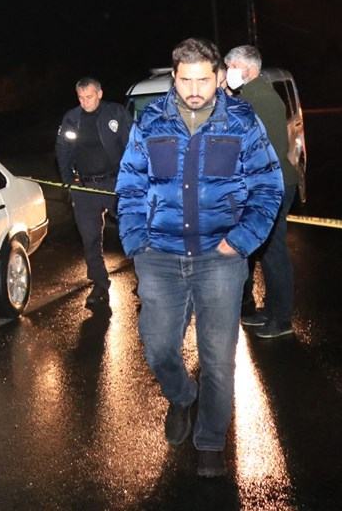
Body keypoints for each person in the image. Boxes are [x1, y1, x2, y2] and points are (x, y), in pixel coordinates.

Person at [116, 38, 282, 478]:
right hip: (160, 257)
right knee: (157, 348)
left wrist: (242, 240)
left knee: (218, 358)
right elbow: (130, 185)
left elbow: (269, 185)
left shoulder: (243, 122)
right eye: (185, 79)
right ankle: (183, 396)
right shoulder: (150, 121)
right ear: (174, 77)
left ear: (218, 77)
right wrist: (137, 241)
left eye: (202, 79)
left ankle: (210, 439)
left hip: (220, 259)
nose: (194, 88)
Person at [225, 45, 300, 338]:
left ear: (250, 69)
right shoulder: (251, 95)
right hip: (266, 185)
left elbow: (262, 150)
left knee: (274, 252)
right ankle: (271, 310)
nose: (229, 71)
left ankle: (282, 320)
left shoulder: (260, 99)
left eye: (232, 66)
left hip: (273, 186)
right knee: (267, 251)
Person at [55, 77, 133, 308]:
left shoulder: (115, 114)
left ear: (99, 93)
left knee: (131, 230)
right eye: (80, 97)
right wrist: (69, 182)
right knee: (90, 238)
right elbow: (62, 150)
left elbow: (132, 147)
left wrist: (130, 181)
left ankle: (146, 279)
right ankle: (99, 284)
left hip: (114, 183)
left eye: (89, 96)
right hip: (84, 187)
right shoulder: (72, 118)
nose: (85, 101)